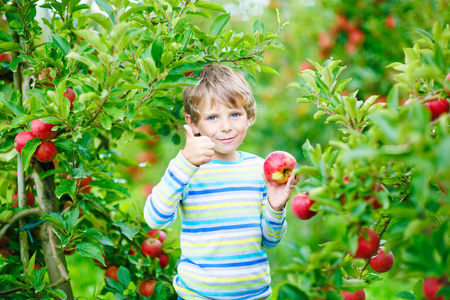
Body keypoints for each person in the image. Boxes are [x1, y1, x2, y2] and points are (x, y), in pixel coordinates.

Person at [143, 63, 300, 300]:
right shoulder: (187, 169)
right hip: (198, 295)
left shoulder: (259, 169)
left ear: (249, 116)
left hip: (254, 296)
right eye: (213, 117)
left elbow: (270, 240)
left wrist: (275, 207)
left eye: (235, 114)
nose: (226, 127)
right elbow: (155, 219)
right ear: (193, 123)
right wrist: (185, 163)